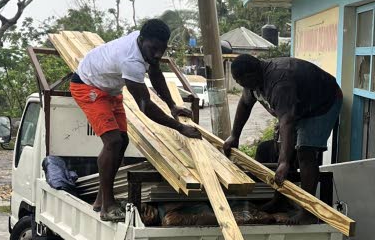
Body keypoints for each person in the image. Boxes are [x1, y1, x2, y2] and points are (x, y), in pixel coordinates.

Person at [70, 19, 199, 222]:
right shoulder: (131, 60)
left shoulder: (148, 48)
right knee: (113, 141)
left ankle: (100, 200)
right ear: (141, 40)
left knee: (123, 140)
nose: (157, 54)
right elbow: (145, 106)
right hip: (88, 86)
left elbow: (156, 76)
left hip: (109, 88)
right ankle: (107, 206)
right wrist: (179, 127)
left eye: (161, 49)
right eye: (154, 49)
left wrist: (172, 106)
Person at [222, 54, 342, 204]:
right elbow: (245, 105)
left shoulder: (279, 82)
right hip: (298, 104)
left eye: (241, 81)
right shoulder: (253, 81)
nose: (240, 85)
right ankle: (280, 200)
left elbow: (287, 121)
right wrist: (234, 135)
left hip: (322, 103)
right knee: (281, 149)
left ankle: (307, 209)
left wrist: (284, 162)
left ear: (252, 75)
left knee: (305, 152)